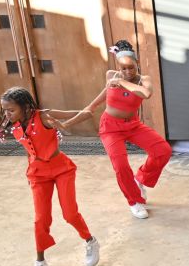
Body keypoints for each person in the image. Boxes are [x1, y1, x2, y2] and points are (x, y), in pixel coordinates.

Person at [0, 87, 99, 266]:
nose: (7, 114)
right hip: (37, 173)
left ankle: (90, 241)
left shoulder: (43, 116)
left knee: (70, 213)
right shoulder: (14, 123)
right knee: (41, 219)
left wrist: (66, 123)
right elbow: (28, 148)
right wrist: (29, 171)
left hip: (61, 169)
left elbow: (83, 113)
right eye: (5, 110)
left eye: (11, 110)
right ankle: (40, 263)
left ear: (25, 107)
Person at [59, 40, 172, 219]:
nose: (127, 72)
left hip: (133, 125)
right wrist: (69, 122)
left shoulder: (144, 80)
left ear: (137, 64)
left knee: (163, 150)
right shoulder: (111, 75)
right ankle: (134, 202)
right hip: (110, 127)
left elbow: (146, 93)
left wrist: (122, 82)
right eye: (123, 68)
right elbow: (99, 99)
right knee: (121, 166)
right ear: (118, 66)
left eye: (131, 68)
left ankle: (140, 178)